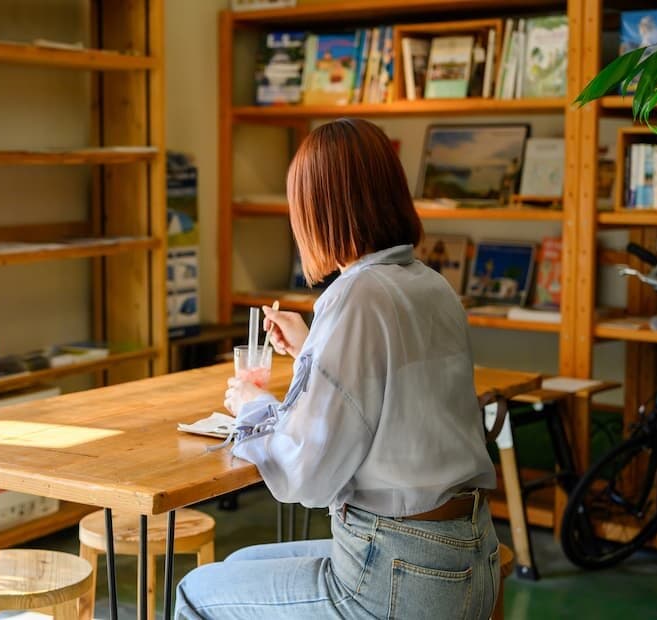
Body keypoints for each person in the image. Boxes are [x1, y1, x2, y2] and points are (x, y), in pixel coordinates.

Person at [175, 118, 500, 619]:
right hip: (468, 558)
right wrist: (312, 346)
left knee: (196, 592)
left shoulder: (356, 295)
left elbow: (308, 473)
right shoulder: (430, 284)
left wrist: (251, 405)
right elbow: (392, 388)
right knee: (242, 562)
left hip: (396, 573)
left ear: (321, 211)